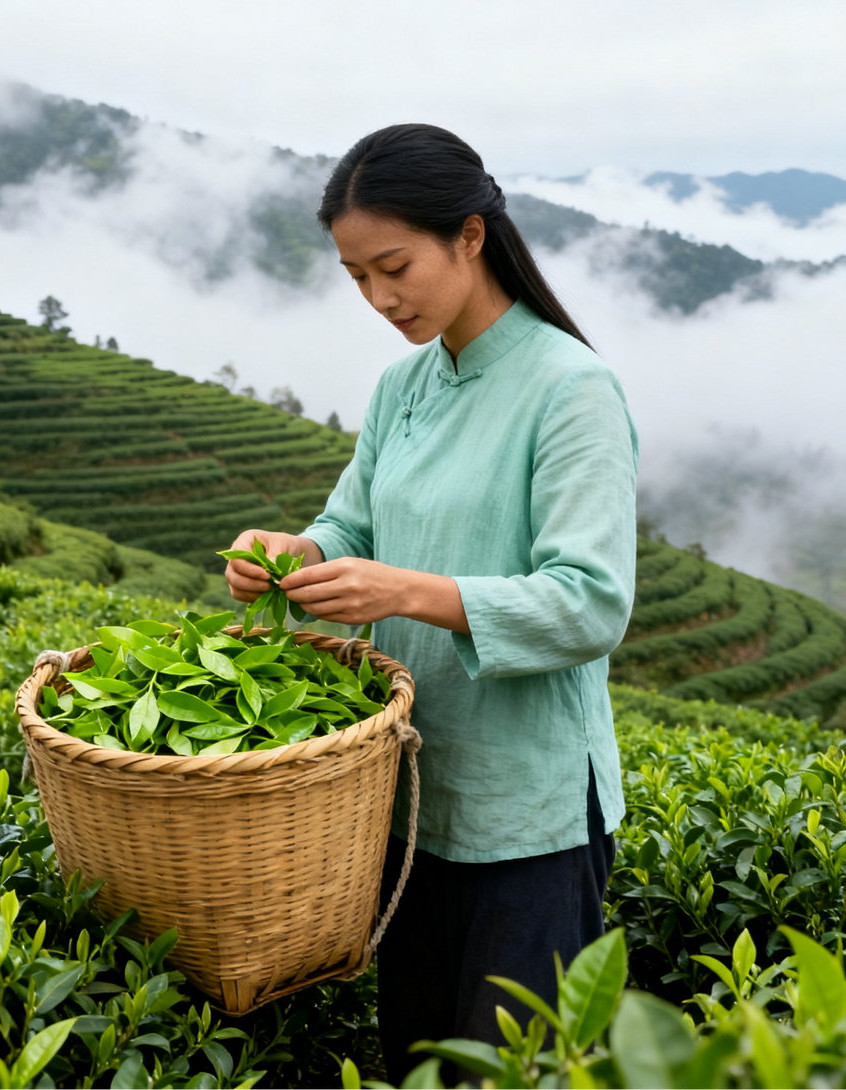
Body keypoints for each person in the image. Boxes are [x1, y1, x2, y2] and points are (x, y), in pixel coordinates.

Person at [222, 123, 638, 1084]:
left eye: (395, 266)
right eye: (357, 276)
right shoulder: (404, 386)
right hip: (408, 799)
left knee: (508, 1071)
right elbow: (350, 528)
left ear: (471, 236)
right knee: (416, 1060)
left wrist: (410, 591)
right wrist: (290, 555)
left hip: (529, 814)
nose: (379, 297)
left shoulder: (572, 390)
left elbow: (590, 605)